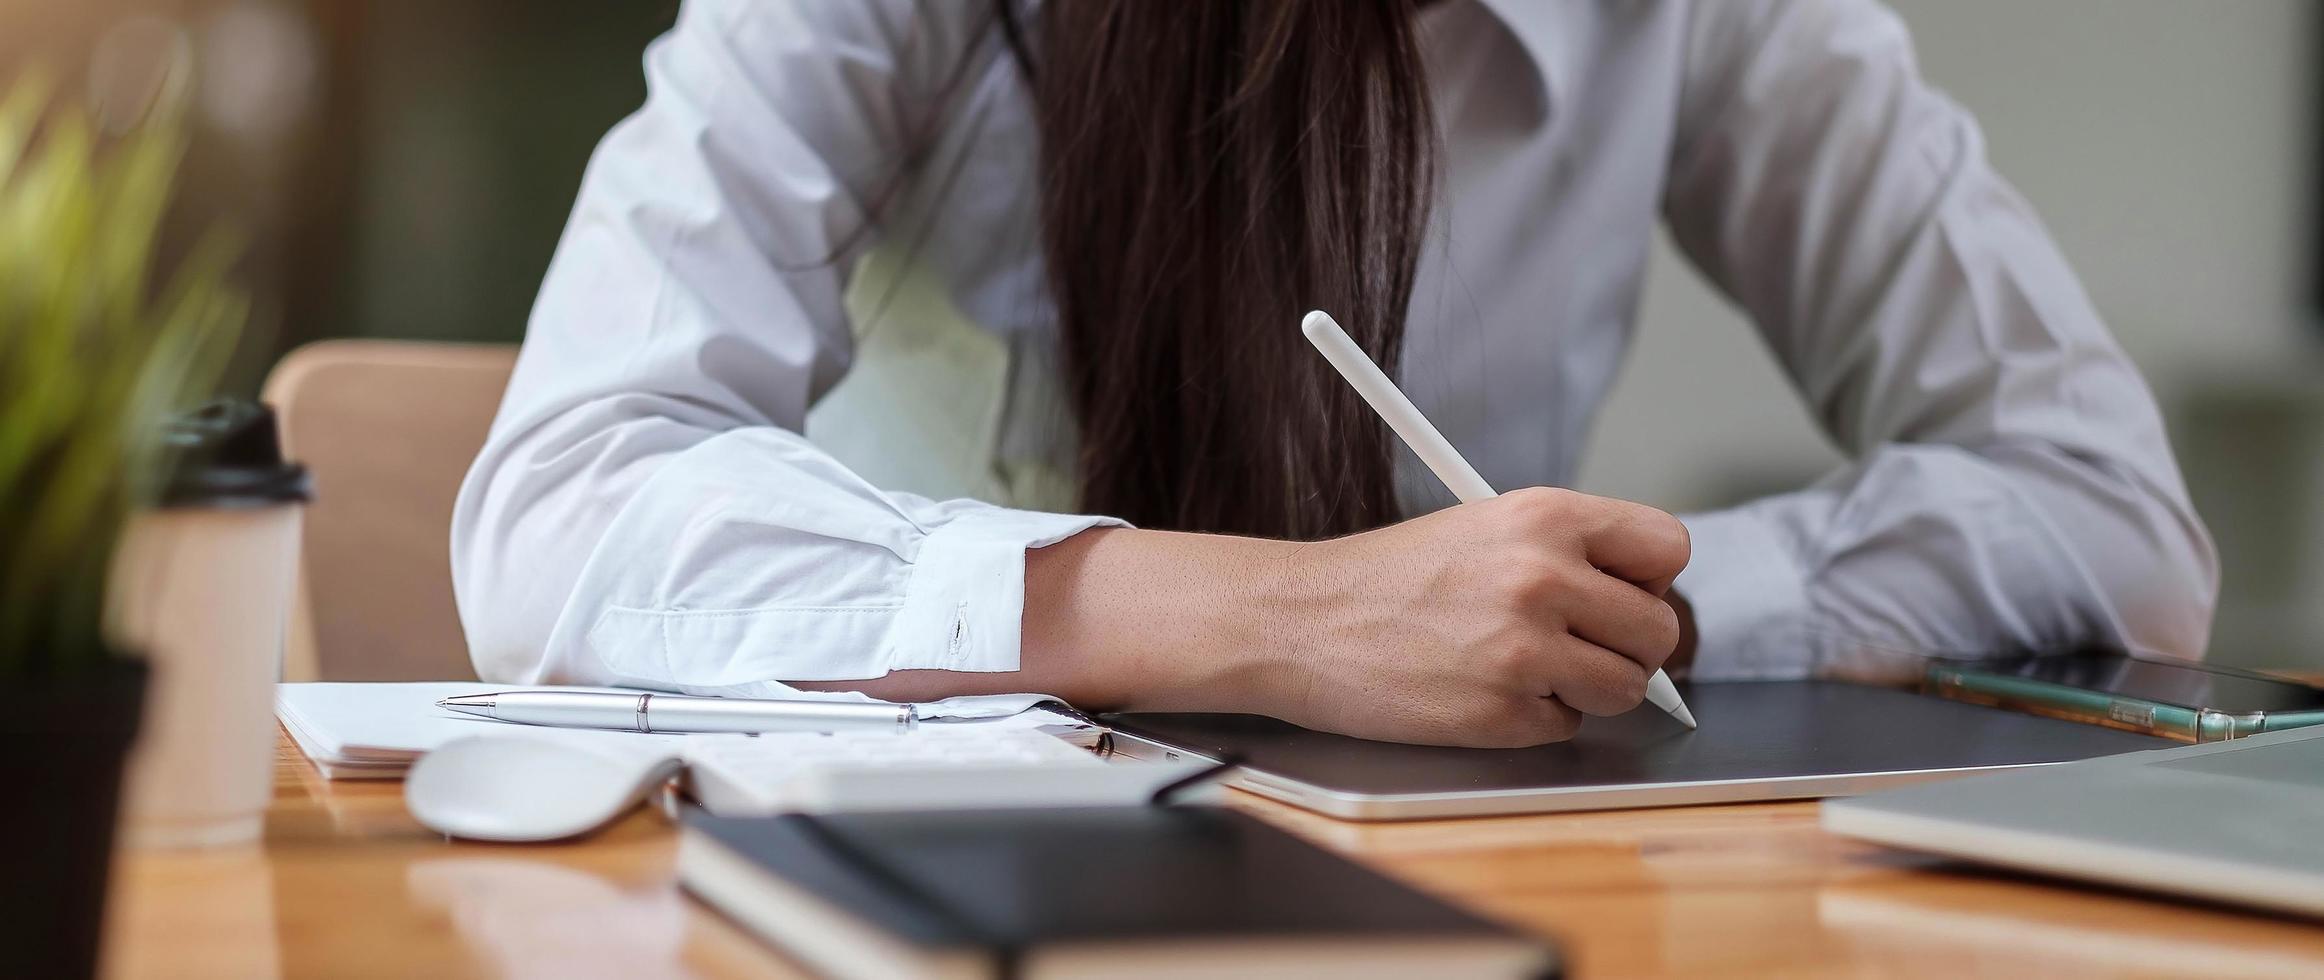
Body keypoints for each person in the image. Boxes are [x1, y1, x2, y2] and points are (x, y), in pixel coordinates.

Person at [451, 0, 2217, 748]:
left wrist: (1629, 616)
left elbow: (2112, 521)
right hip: (907, 877)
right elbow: (564, 504)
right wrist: (1290, 619)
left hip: (1475, 875)